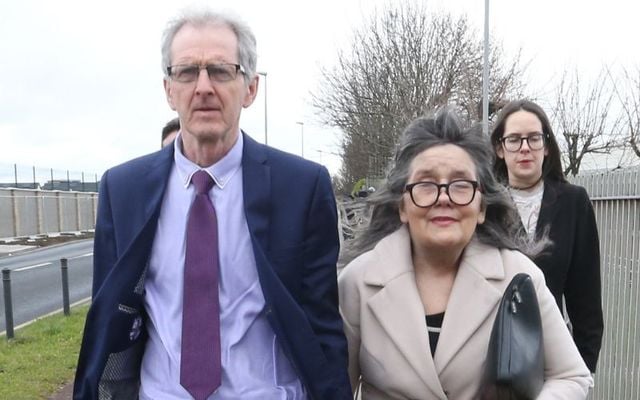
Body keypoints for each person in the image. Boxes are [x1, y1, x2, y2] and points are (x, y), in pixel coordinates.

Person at [74, 7, 351, 400]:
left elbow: (322, 327)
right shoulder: (123, 189)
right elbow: (106, 318)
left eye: (221, 70)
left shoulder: (302, 188)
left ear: (250, 88)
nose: (203, 86)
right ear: (169, 89)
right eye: (187, 72)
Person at [338, 109, 593, 399]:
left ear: (482, 207)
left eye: (461, 185)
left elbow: (569, 376)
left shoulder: (520, 277)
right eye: (426, 184)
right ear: (402, 206)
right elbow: (334, 386)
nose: (444, 198)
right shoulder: (357, 282)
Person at [490, 99, 603, 373]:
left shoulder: (573, 202)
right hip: (487, 360)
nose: (525, 147)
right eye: (514, 139)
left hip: (550, 359)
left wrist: (582, 372)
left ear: (547, 146)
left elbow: (585, 299)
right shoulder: (483, 204)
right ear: (500, 148)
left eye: (534, 138)